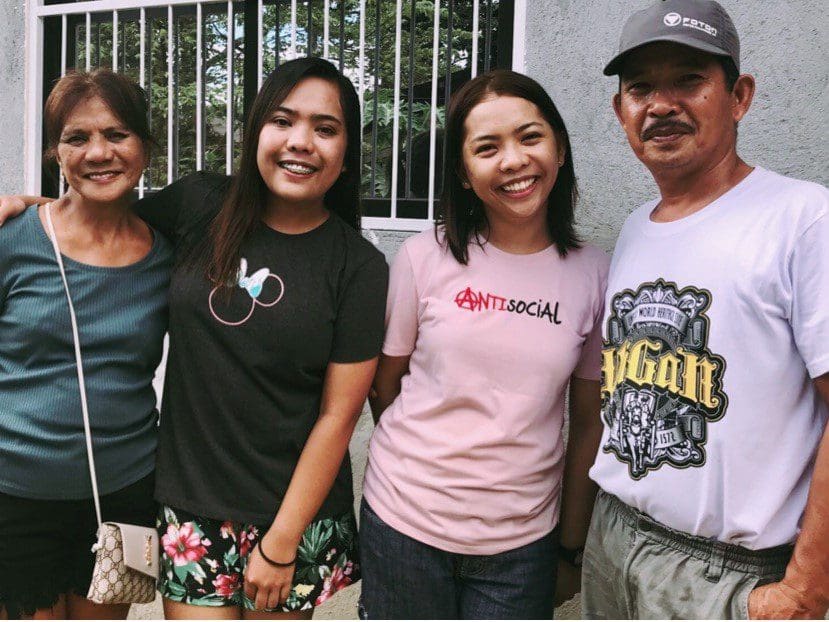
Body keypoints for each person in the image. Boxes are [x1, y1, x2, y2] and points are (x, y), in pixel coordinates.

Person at [0, 57, 388, 619]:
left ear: (347, 150)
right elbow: (99, 214)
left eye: (325, 129)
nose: (301, 141)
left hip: (288, 515)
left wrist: (281, 545)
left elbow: (339, 415)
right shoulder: (202, 205)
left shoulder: (359, 266)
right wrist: (26, 206)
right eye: (282, 121)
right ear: (256, 129)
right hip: (187, 507)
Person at [582, 0, 829, 619]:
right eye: (640, 88)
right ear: (621, 111)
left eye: (689, 80)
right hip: (611, 539)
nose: (661, 105)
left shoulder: (803, 219)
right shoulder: (636, 228)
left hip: (724, 573)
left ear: (739, 95)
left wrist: (804, 590)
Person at [360, 69, 608, 619]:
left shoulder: (595, 275)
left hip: (522, 546)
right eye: (487, 147)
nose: (514, 160)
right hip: (404, 525)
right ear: (466, 174)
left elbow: (589, 421)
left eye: (530, 136)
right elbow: (386, 385)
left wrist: (570, 545)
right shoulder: (424, 258)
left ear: (560, 149)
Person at [0, 70, 172, 619]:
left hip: (125, 493)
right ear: (55, 151)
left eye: (118, 135)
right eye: (77, 138)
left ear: (146, 146)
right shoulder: (14, 239)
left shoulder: (171, 255)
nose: (99, 153)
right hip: (15, 494)